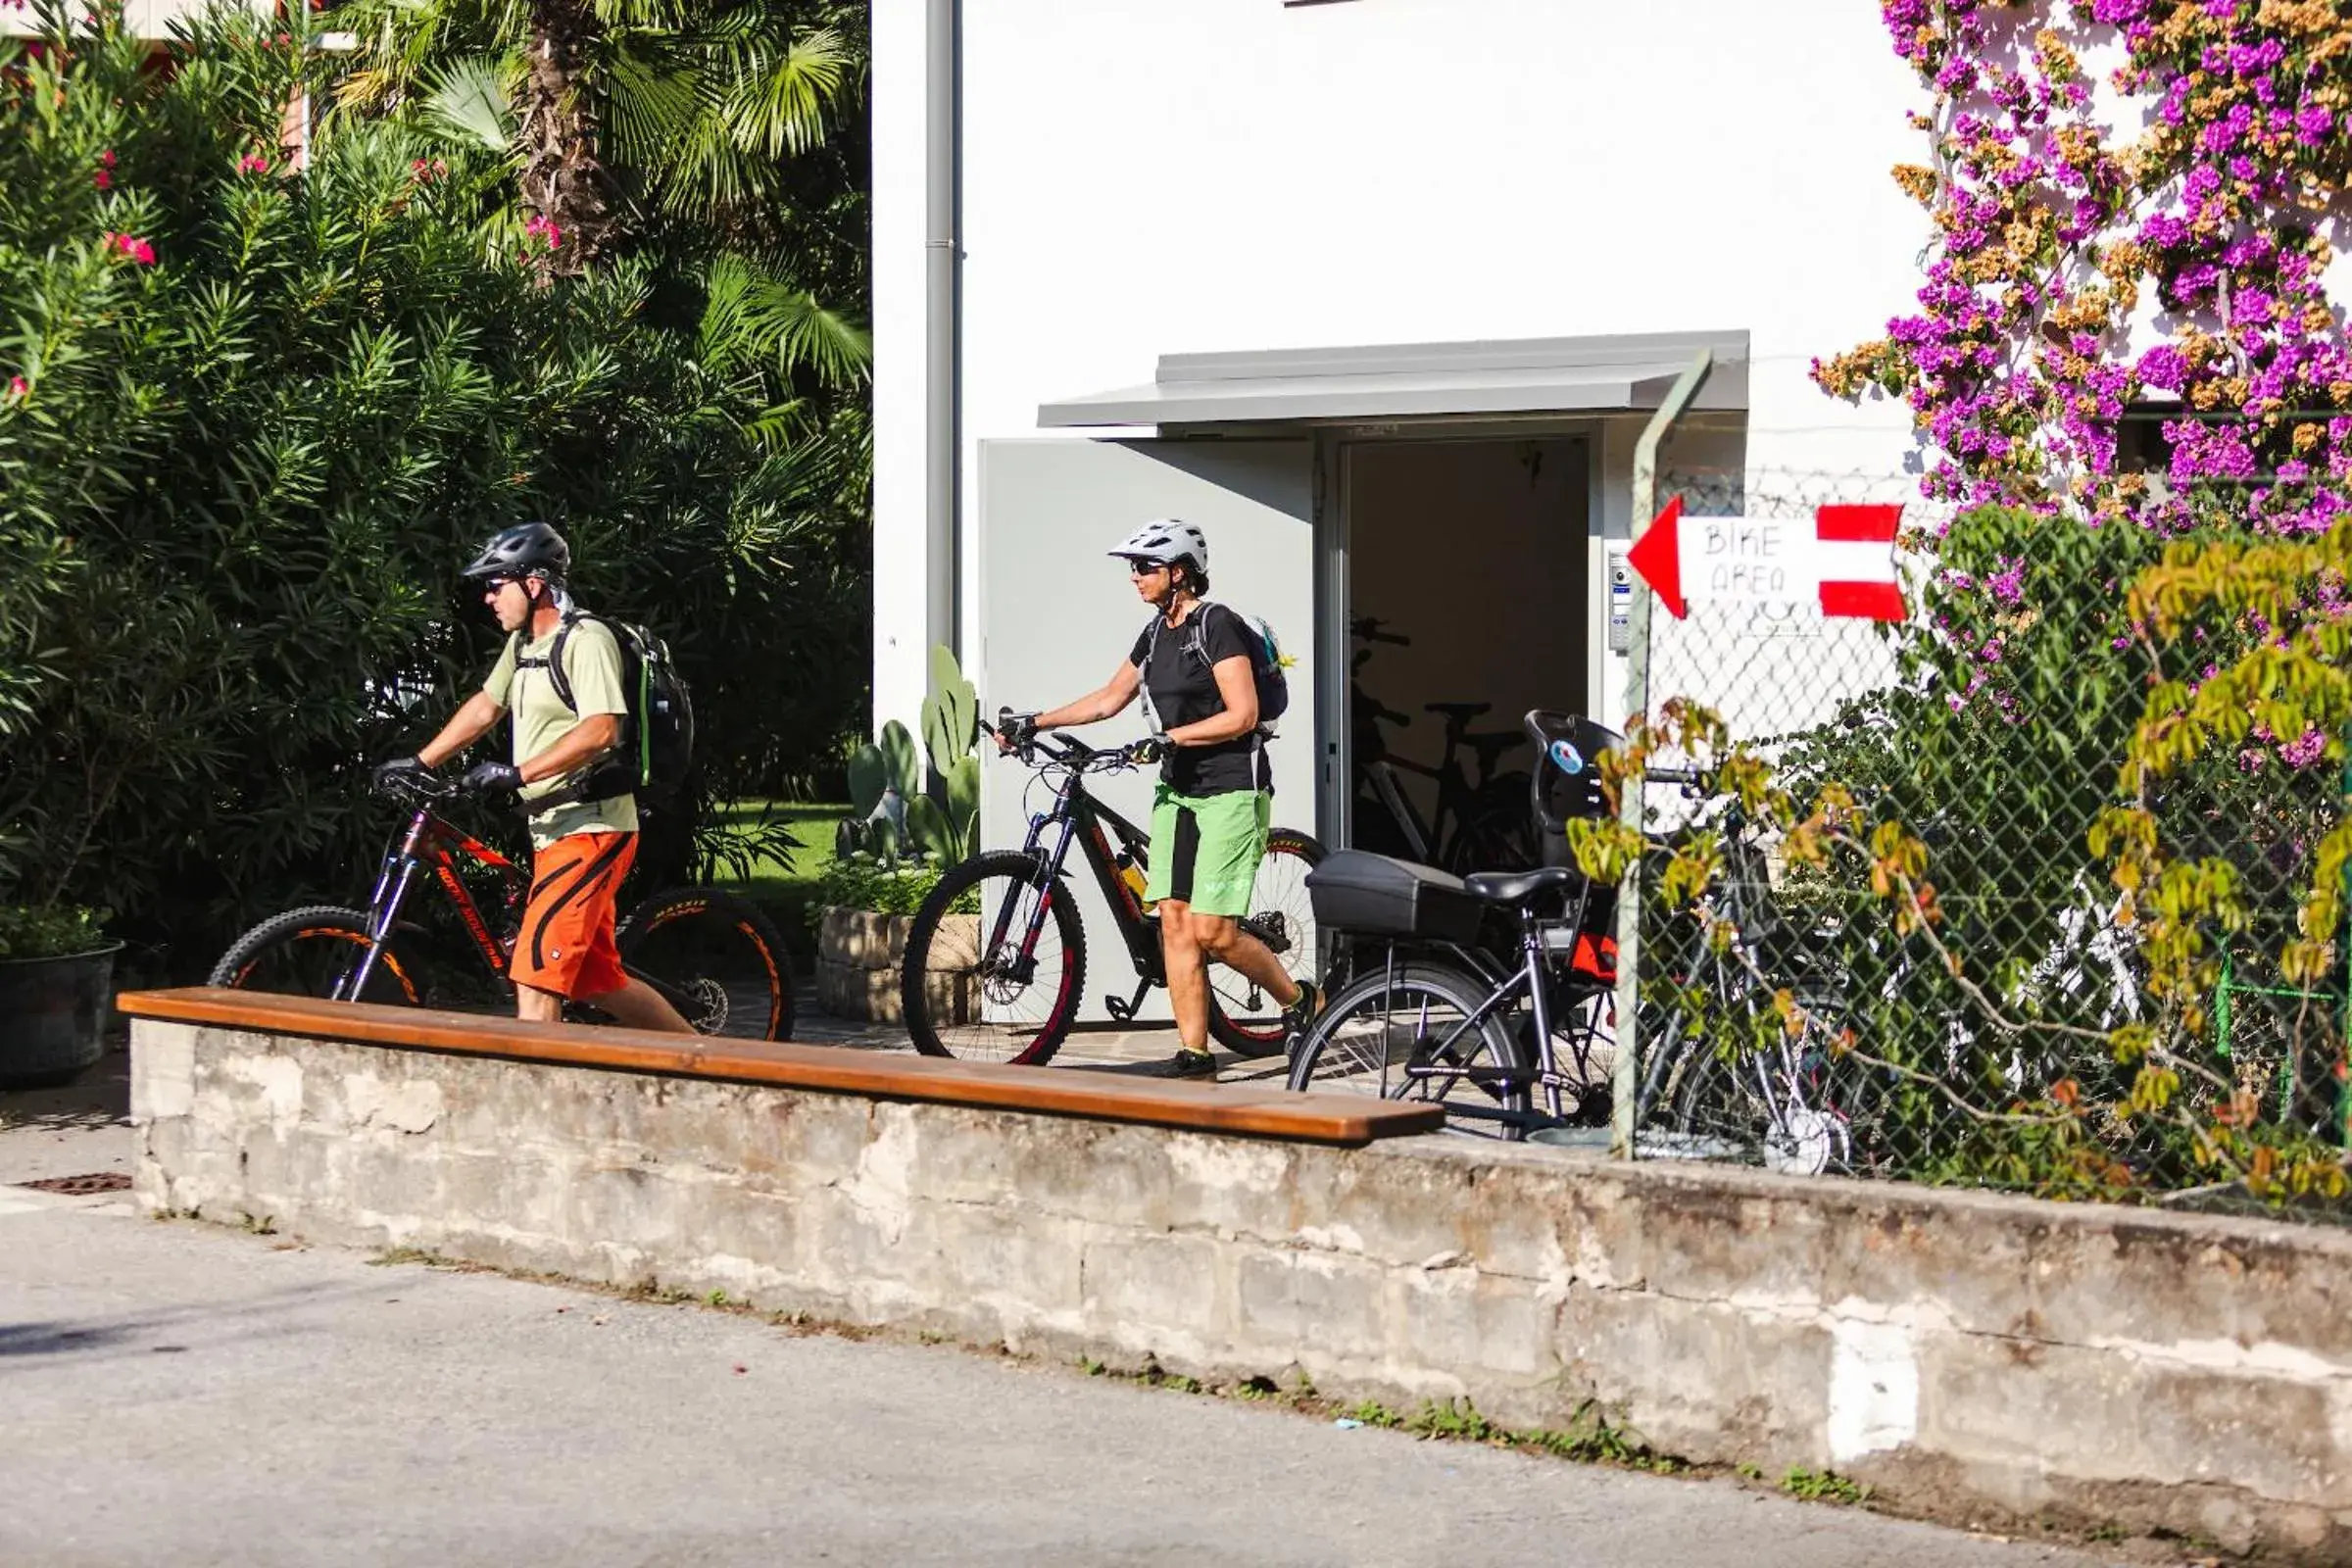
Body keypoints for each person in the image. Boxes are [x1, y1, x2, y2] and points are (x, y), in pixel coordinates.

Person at [1004, 519, 1319, 1078]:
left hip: (1231, 789)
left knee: (1213, 931)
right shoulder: (1154, 635)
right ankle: (1195, 1052)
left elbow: (1243, 713)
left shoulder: (1216, 625)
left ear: (1180, 573)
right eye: (1133, 568)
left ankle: (1299, 1002)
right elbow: (1109, 699)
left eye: (1145, 567)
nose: (1135, 577)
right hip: (1178, 791)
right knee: (1174, 920)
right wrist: (1037, 721)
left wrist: (1169, 738)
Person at [371, 522, 692, 1034]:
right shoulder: (524, 645)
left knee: (537, 976)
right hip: (552, 829)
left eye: (497, 584)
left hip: (592, 827)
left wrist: (518, 773)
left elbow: (602, 729)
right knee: (597, 981)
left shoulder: (585, 641)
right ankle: (701, 1058)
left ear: (534, 583)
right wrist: (421, 762)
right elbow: (486, 707)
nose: (488, 597)